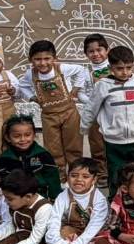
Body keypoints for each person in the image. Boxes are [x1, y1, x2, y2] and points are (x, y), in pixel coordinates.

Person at [80, 46, 134, 197]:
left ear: (133, 66)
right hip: (113, 141)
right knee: (116, 172)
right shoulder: (102, 85)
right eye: (119, 68)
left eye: (129, 68)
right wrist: (84, 127)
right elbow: (91, 108)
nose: (125, 72)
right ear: (111, 68)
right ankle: (115, 200)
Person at [15, 40, 88, 177]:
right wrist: (33, 97)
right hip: (49, 116)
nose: (43, 63)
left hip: (69, 113)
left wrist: (76, 90)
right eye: (37, 59)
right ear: (31, 60)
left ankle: (76, 172)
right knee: (53, 147)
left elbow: (81, 70)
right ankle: (59, 175)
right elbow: (22, 85)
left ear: (55, 58)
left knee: (73, 145)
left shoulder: (62, 69)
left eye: (47, 58)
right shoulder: (30, 74)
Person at [30, 158, 109, 244]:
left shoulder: (99, 200)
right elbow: (54, 221)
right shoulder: (62, 197)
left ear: (94, 180)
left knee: (100, 242)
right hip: (70, 230)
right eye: (74, 175)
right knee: (62, 231)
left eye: (85, 176)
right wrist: (59, 243)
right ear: (67, 177)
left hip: (93, 234)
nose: (78, 180)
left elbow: (93, 228)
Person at [0, 114, 62, 200]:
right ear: (8, 137)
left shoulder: (43, 155)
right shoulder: (4, 158)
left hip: (40, 196)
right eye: (17, 136)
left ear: (34, 135)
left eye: (27, 135)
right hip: (15, 198)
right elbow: (0, 181)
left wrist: (54, 199)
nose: (23, 139)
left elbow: (53, 179)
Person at [83, 33, 110, 185]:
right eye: (91, 51)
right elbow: (82, 92)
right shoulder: (85, 72)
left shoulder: (115, 67)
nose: (96, 54)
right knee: (97, 143)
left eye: (99, 50)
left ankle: (116, 170)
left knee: (113, 142)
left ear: (107, 50)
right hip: (95, 112)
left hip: (112, 111)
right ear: (86, 54)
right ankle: (101, 172)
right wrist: (93, 102)